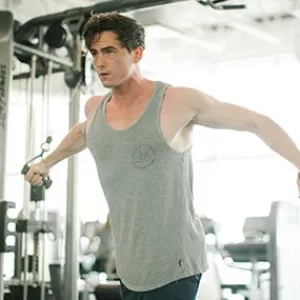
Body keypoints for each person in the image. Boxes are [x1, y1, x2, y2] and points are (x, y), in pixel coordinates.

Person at [24, 12, 300, 300]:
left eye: (109, 51)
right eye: (94, 53)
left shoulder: (176, 102)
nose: (100, 62)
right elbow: (81, 134)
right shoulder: (96, 109)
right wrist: (46, 163)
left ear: (137, 53)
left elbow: (257, 122)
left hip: (175, 262)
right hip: (131, 266)